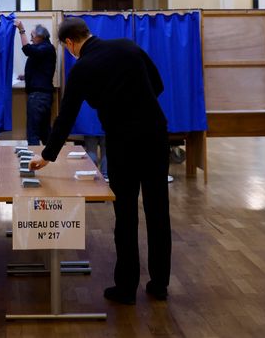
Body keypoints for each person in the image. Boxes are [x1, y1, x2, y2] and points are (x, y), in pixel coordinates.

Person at [29, 17, 171, 305]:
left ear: (69, 43)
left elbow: (66, 116)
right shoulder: (128, 47)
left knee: (126, 215)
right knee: (158, 211)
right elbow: (157, 85)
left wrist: (47, 155)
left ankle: (126, 288)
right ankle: (159, 285)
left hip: (122, 142)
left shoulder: (82, 67)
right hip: (155, 134)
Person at [13, 20, 56, 146]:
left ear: (40, 36)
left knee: (33, 132)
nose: (31, 40)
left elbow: (27, 50)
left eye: (32, 37)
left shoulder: (46, 48)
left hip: (38, 96)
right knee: (44, 132)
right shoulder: (45, 48)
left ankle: (35, 162)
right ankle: (49, 161)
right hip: (42, 96)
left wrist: (21, 30)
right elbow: (41, 70)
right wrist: (26, 76)